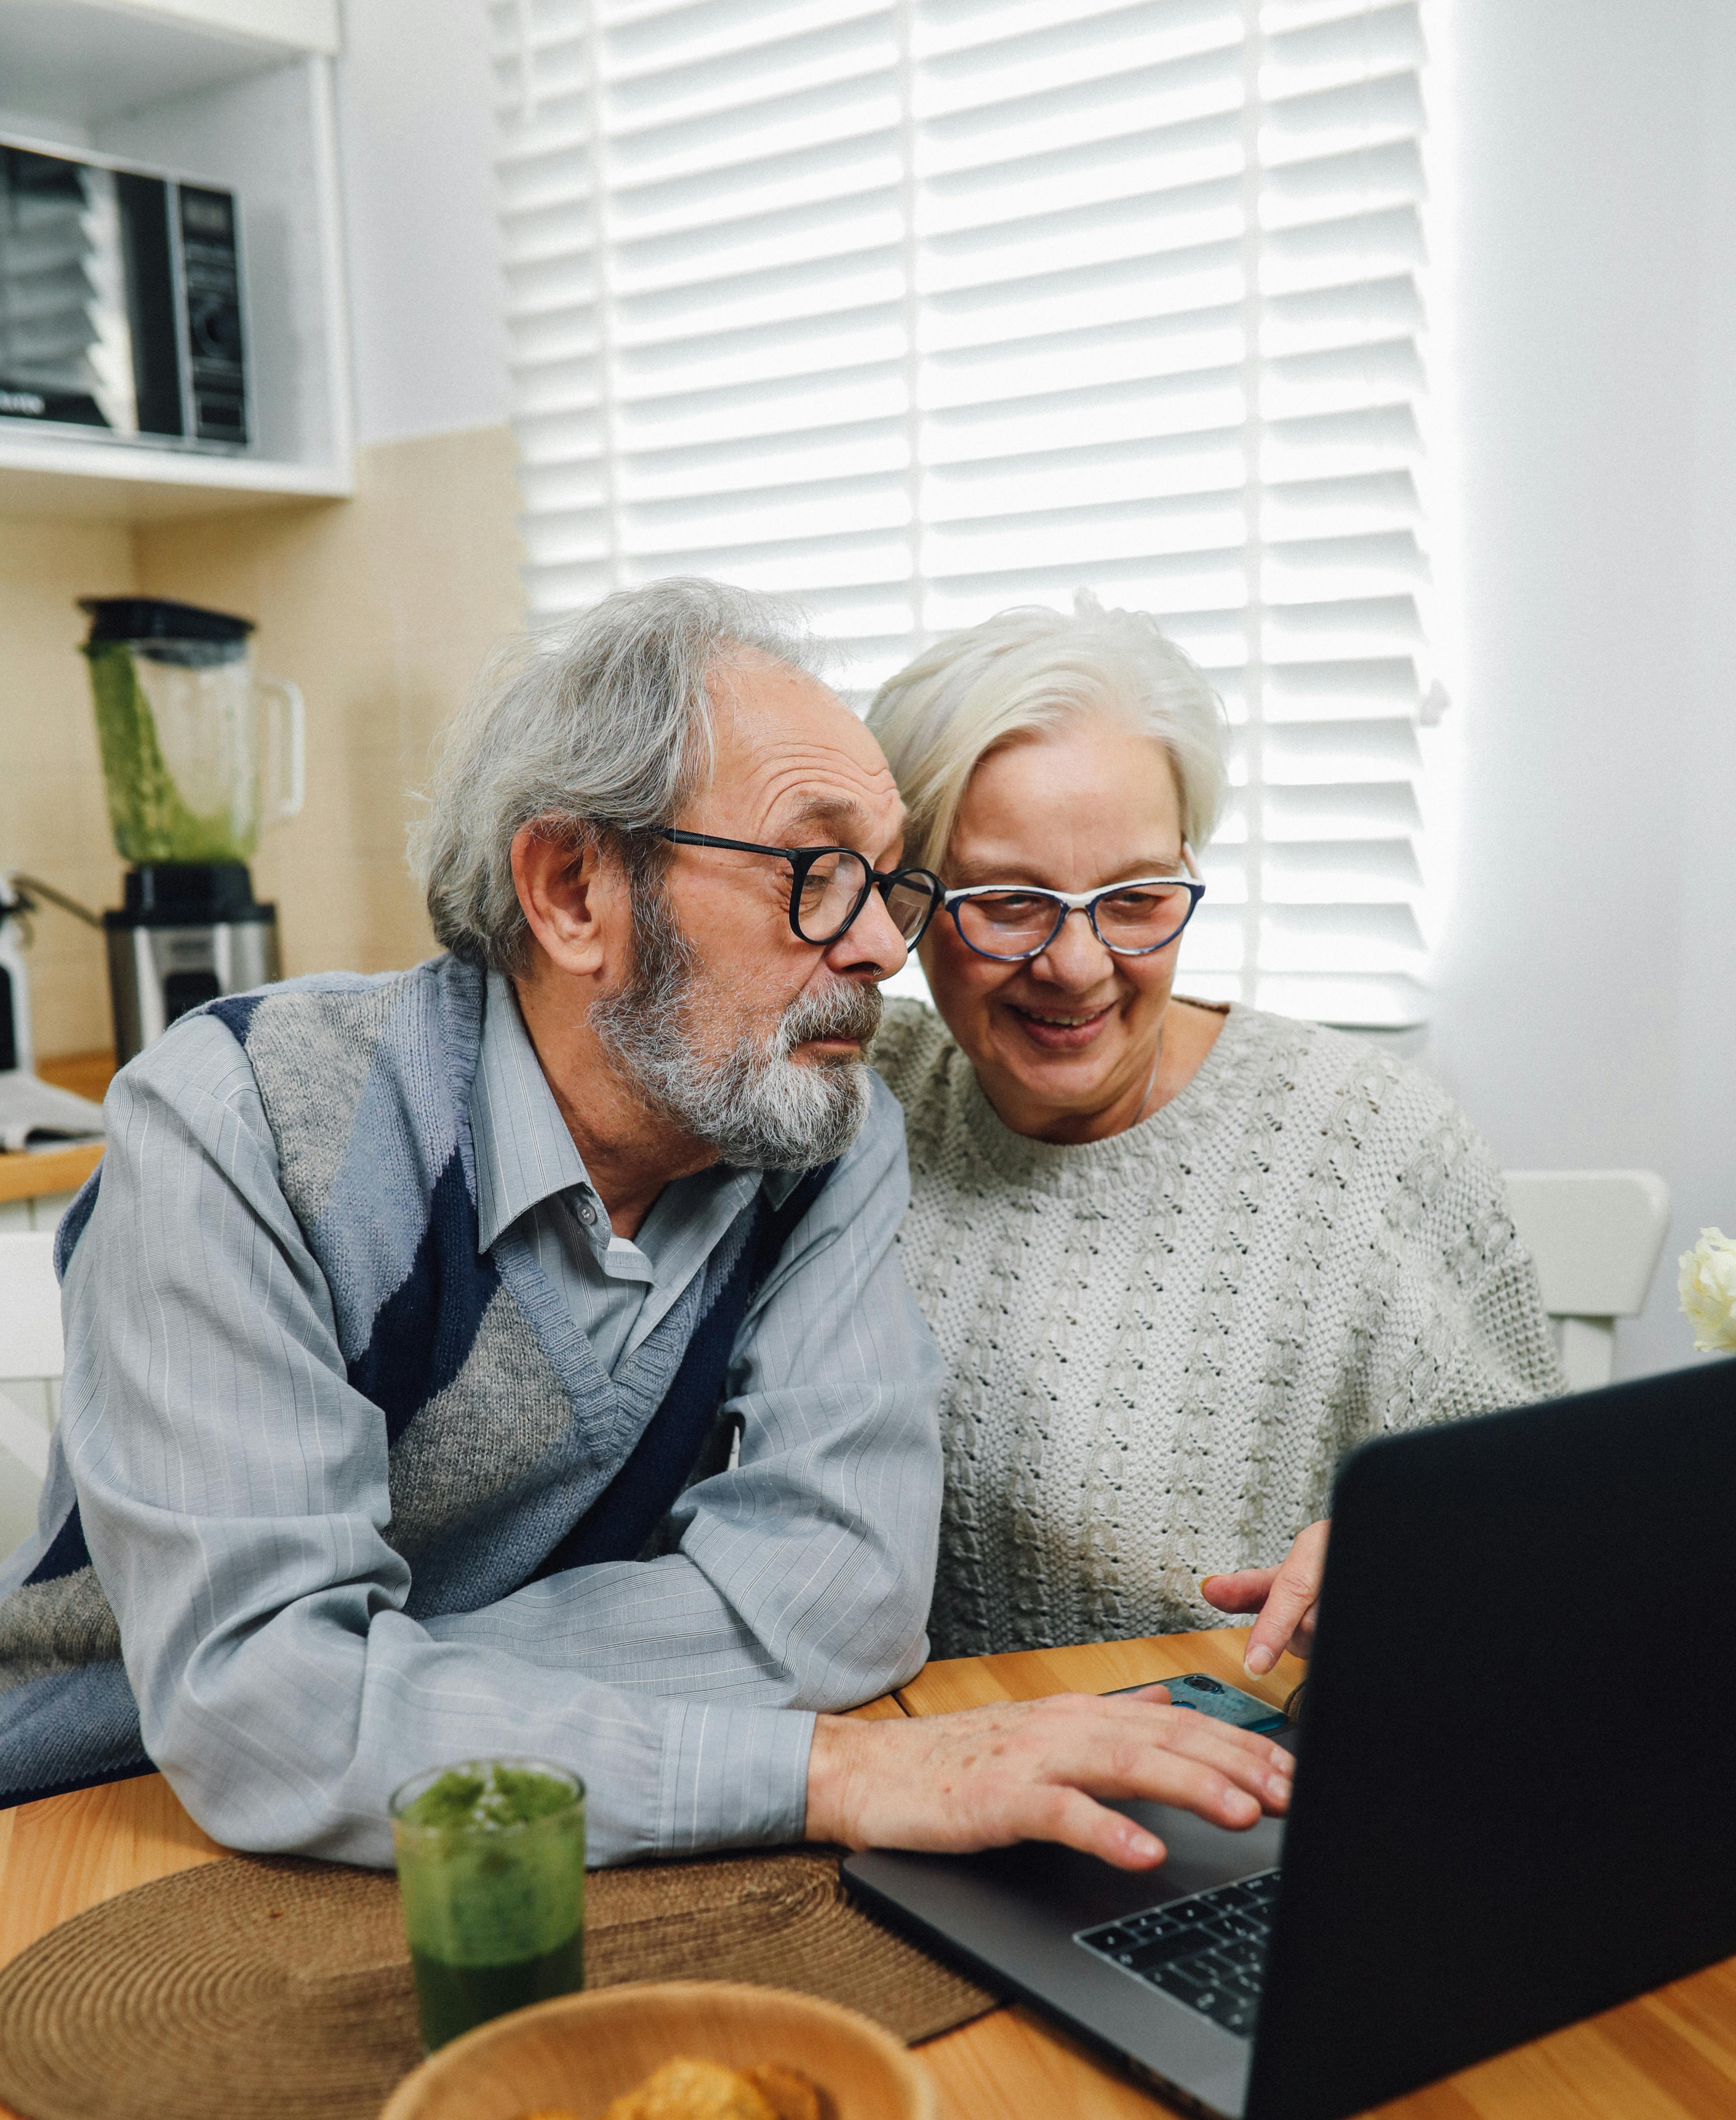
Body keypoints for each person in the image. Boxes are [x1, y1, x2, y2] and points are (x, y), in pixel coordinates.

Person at [0, 580, 1292, 1880]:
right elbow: (256, 1720)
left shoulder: (819, 1138)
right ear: (574, 891)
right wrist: (830, 1769)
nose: (880, 952)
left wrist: (370, 1694)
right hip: (110, 1823)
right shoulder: (239, 1121)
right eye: (814, 872)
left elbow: (843, 1597)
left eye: (887, 883)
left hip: (557, 1827)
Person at [865, 594, 1567, 1675]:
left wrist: (1422, 1552)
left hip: (1250, 1783)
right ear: (907, 903)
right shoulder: (857, 1099)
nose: (1079, 965)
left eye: (1138, 897)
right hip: (924, 1768)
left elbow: (1545, 1527)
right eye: (1008, 902)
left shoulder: (1369, 1140)